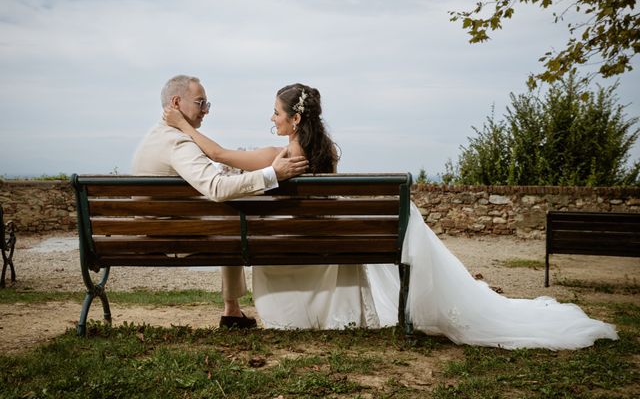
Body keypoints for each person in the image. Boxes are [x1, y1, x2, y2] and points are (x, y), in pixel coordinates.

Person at [164, 82, 619, 349]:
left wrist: (182, 126)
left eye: (277, 112)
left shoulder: (277, 155)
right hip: (332, 245)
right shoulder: (327, 153)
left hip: (296, 250)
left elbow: (220, 152)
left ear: (293, 119)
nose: (273, 117)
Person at [132, 75, 309, 329]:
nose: (205, 110)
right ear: (176, 102)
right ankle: (232, 309)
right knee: (232, 222)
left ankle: (232, 310)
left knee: (227, 220)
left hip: (153, 229)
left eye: (207, 104)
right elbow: (215, 187)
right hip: (170, 236)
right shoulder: (178, 142)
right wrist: (273, 175)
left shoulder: (157, 135)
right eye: (200, 103)